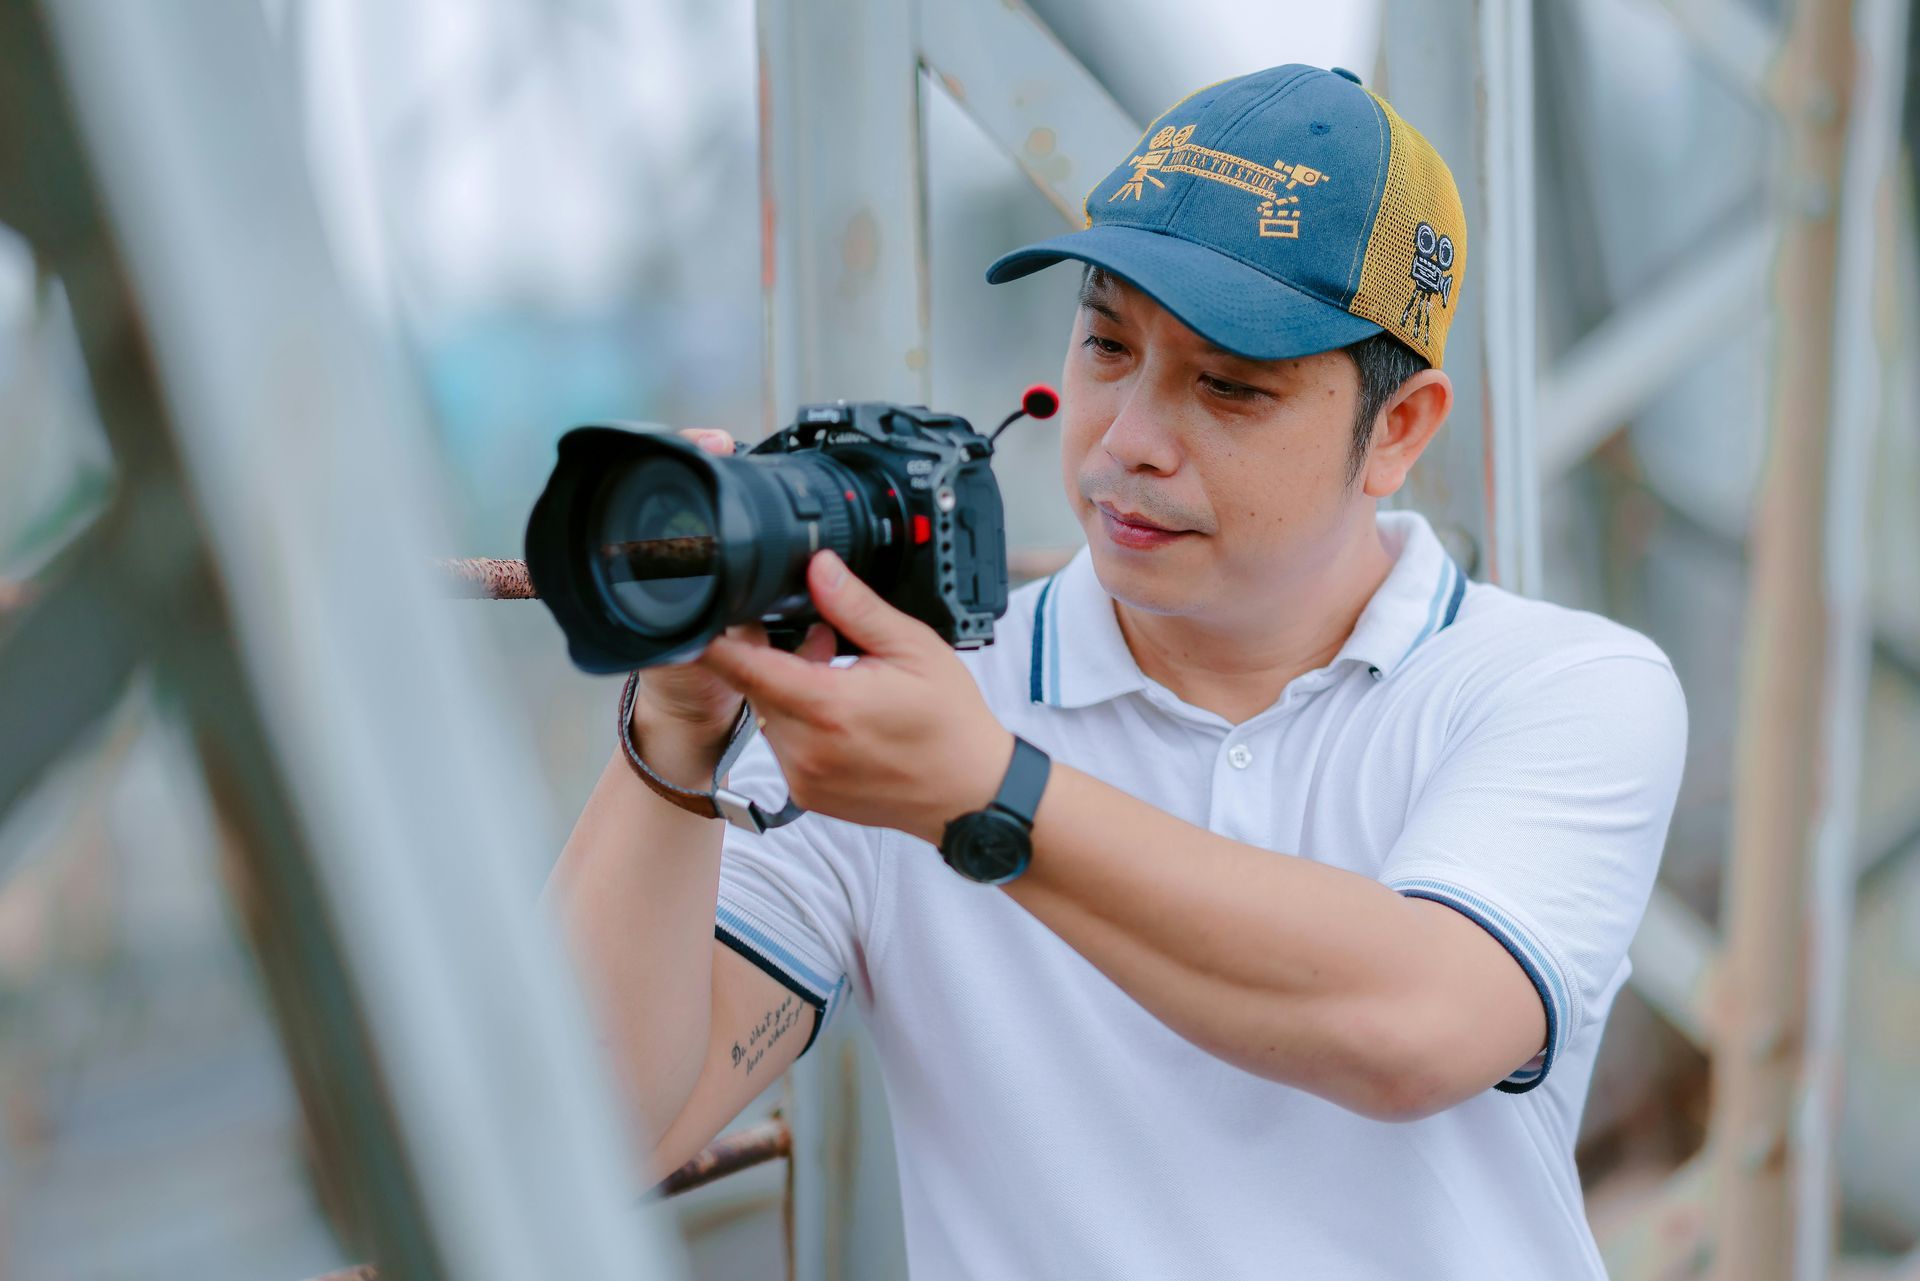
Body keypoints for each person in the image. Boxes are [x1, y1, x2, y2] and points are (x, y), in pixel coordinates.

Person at [548, 63, 1687, 1280]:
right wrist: (673, 732)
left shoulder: (1557, 685)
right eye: (1105, 345)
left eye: (1229, 388)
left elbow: (1418, 1026)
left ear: (1399, 429)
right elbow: (592, 1139)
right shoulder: (915, 703)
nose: (1129, 440)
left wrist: (986, 795)